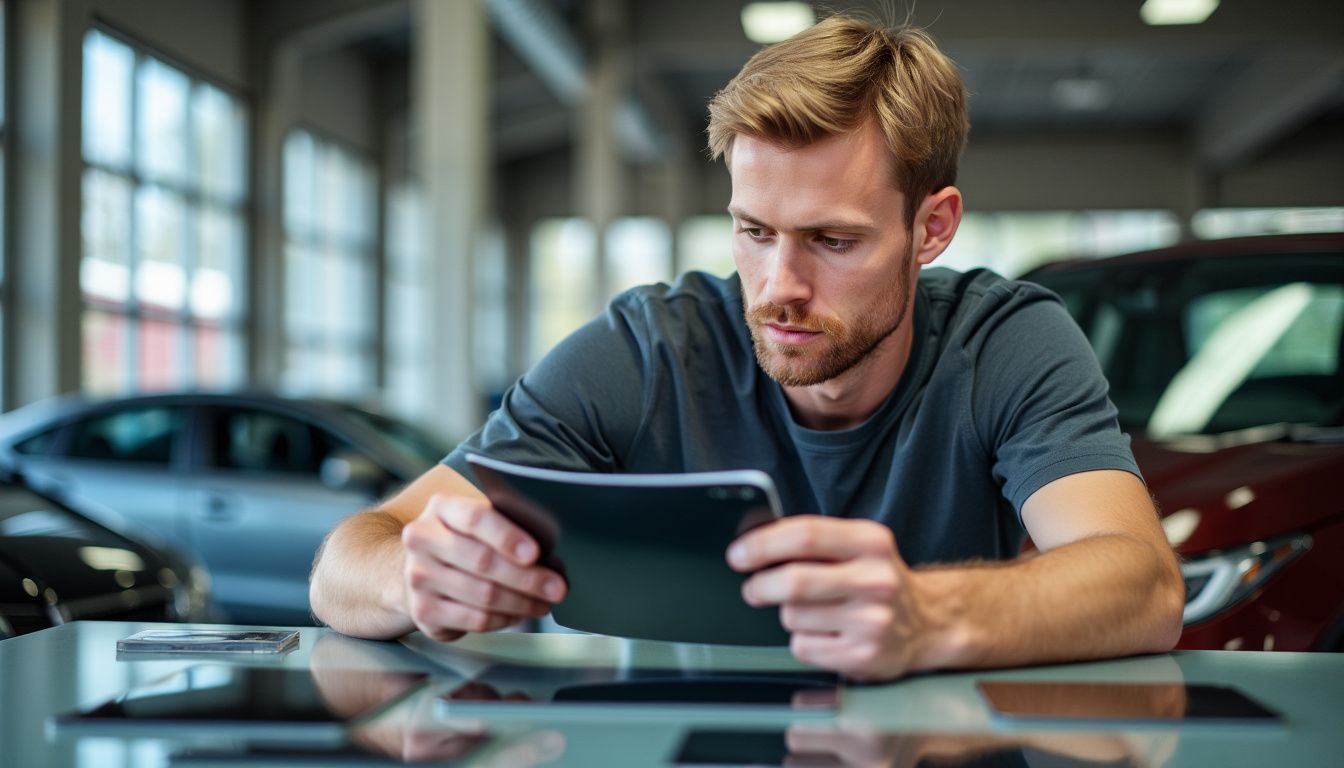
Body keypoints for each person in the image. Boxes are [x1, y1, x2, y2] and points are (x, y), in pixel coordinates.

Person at [309, 15, 1183, 682]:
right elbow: (351, 556)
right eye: (753, 231)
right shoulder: (648, 348)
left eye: (833, 242)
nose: (778, 287)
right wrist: (412, 580)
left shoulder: (1006, 341)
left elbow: (1142, 585)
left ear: (932, 227)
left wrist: (926, 612)